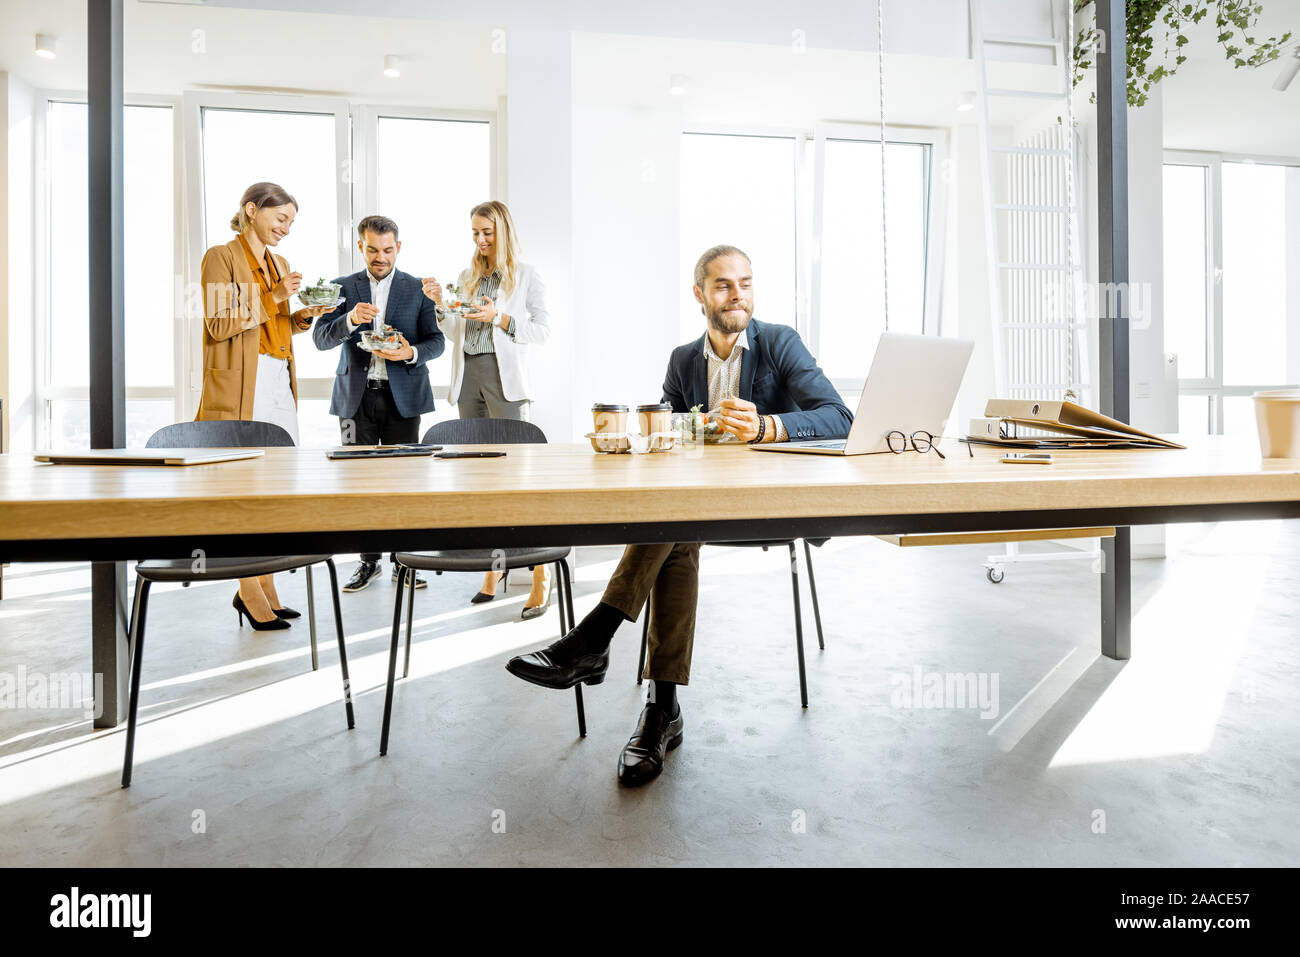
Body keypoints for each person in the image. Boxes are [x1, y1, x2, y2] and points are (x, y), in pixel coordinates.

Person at [506, 245, 852, 785]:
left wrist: (767, 427)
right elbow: (667, 431)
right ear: (700, 295)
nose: (737, 294)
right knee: (674, 524)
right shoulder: (683, 359)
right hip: (697, 502)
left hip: (767, 501)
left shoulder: (780, 342)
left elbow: (839, 416)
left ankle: (599, 644)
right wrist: (682, 428)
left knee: (670, 522)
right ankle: (659, 707)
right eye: (723, 285)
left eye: (746, 282)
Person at [197, 181, 334, 631]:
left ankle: (266, 586)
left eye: (292, 222)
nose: (286, 229)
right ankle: (249, 591)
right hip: (242, 381)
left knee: (275, 487)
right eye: (281, 219)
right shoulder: (221, 256)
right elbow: (220, 324)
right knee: (241, 492)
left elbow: (271, 325)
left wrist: (300, 317)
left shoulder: (280, 263)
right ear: (251, 210)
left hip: (277, 376)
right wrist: (275, 297)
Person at [420, 200, 554, 618]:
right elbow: (454, 328)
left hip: (505, 380)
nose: (480, 240)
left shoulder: (527, 275)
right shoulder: (467, 276)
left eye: (487, 233)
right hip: (469, 379)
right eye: (475, 233)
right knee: (480, 479)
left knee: (520, 482)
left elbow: (543, 330)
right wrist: (441, 304)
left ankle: (539, 575)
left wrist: (501, 317)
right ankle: (492, 573)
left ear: (503, 231)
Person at [313, 215, 446, 593]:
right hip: (355, 400)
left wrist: (409, 353)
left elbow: (436, 342)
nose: (380, 257)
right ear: (361, 247)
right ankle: (367, 562)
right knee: (359, 484)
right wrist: (350, 319)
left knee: (406, 482)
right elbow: (321, 339)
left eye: (388, 250)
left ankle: (404, 562)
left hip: (404, 399)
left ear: (398, 248)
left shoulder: (418, 289)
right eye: (372, 249)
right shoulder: (342, 288)